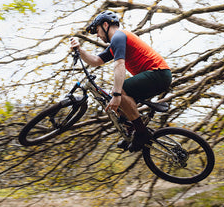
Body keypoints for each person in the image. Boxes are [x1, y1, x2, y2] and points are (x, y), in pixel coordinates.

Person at [70, 10, 171, 152]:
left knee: (119, 93)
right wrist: (79, 50)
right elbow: (96, 61)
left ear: (105, 25)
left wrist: (117, 94)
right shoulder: (117, 42)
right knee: (118, 103)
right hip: (157, 76)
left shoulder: (118, 36)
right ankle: (132, 132)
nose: (98, 36)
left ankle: (141, 133)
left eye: (98, 31)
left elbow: (119, 64)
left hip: (159, 73)